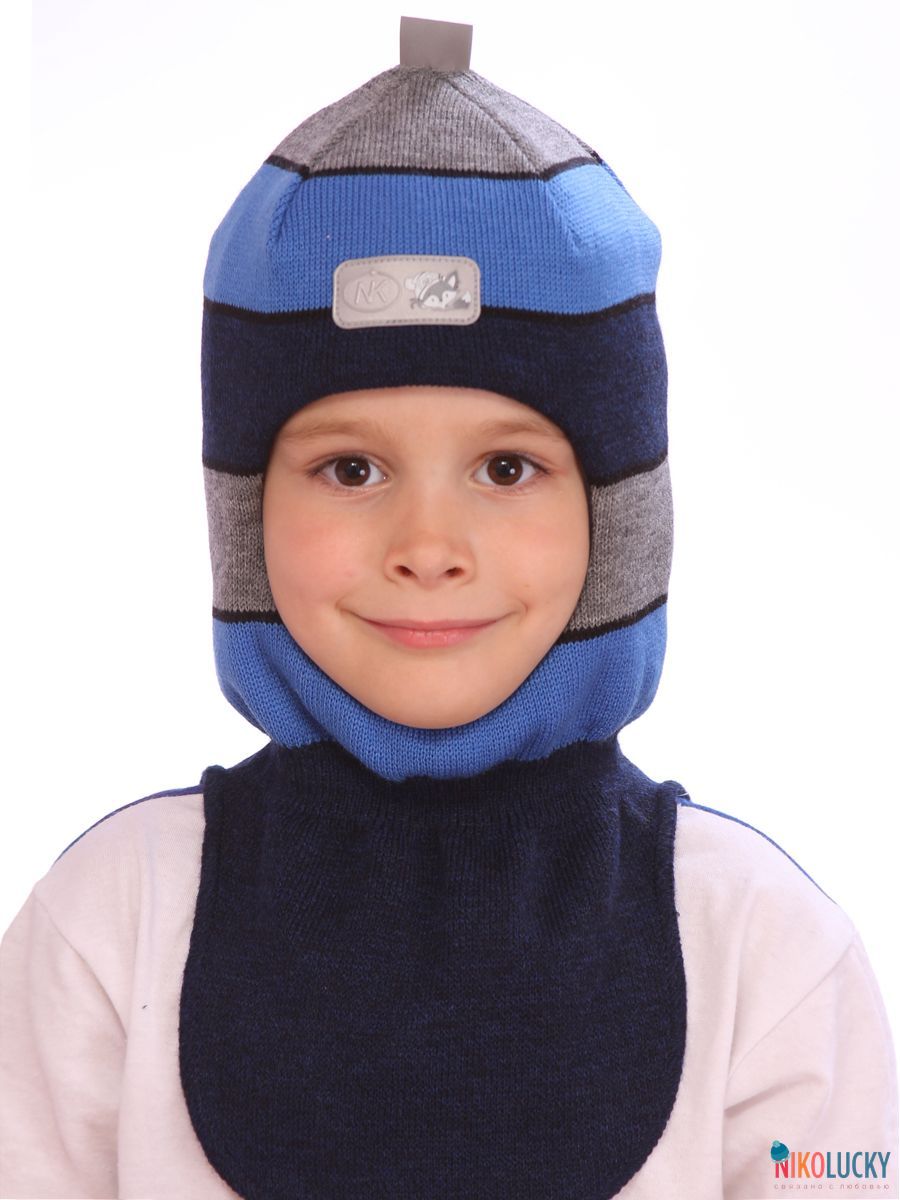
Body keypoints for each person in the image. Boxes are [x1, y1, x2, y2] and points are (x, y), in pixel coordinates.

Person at [2, 15, 897, 1200]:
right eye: (351, 469)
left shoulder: (771, 955)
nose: (428, 549)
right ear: (242, 511)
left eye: (508, 468)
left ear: (621, 512)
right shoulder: (109, 925)